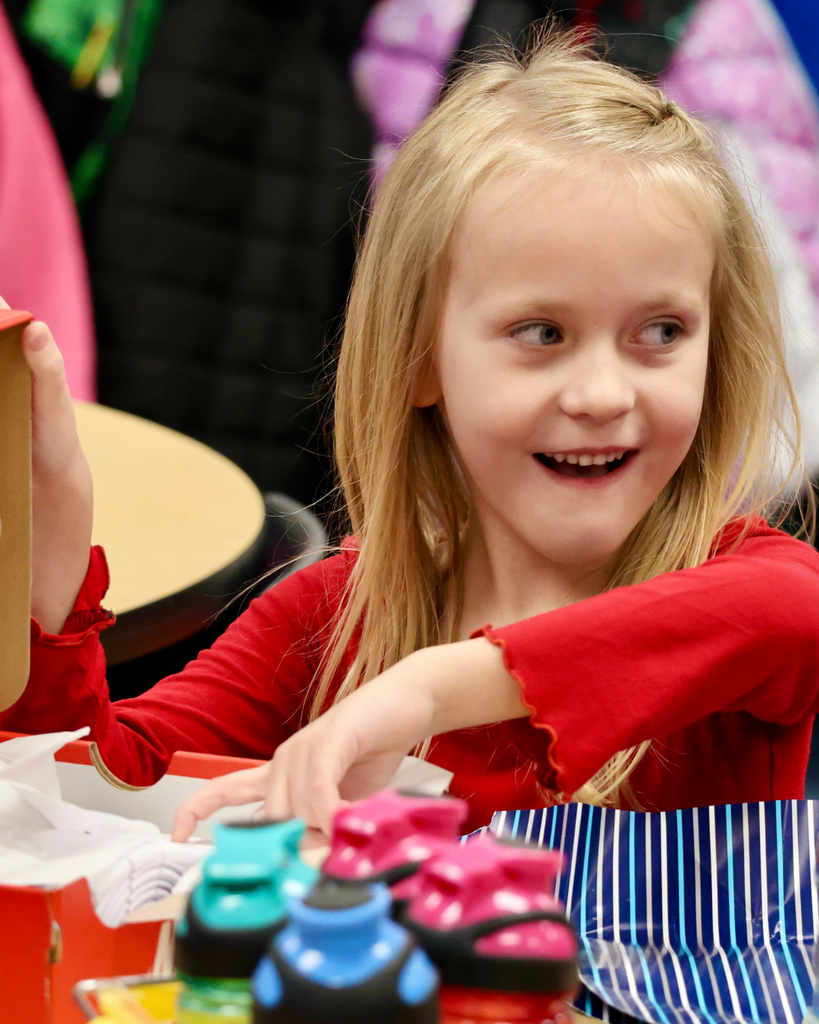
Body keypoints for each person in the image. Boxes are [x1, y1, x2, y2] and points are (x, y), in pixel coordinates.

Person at [5, 29, 819, 841]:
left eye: (662, 331)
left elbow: (794, 609)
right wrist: (48, 539)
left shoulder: (748, 586)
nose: (603, 393)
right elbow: (77, 805)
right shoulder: (330, 617)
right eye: (540, 333)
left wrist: (433, 686)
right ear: (420, 358)